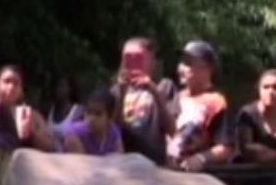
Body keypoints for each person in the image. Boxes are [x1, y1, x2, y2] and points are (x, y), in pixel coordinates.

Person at [168, 41, 233, 172]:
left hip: (199, 179)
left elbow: (226, 148)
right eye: (181, 63)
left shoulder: (217, 102)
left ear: (207, 69)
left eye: (188, 63)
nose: (181, 69)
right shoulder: (175, 97)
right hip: (169, 174)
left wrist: (201, 158)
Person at [113, 37, 177, 166]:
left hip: (155, 163)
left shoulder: (164, 86)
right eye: (128, 58)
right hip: (124, 163)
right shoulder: (116, 90)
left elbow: (172, 129)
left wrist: (154, 91)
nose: (133, 63)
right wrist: (122, 93)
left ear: (152, 62)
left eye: (138, 58)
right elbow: (113, 129)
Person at [64, 89, 124, 156]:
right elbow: (81, 164)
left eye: (98, 114)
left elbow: (120, 161)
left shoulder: (114, 132)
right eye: (88, 112)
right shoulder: (74, 133)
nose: (91, 119)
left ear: (109, 118)